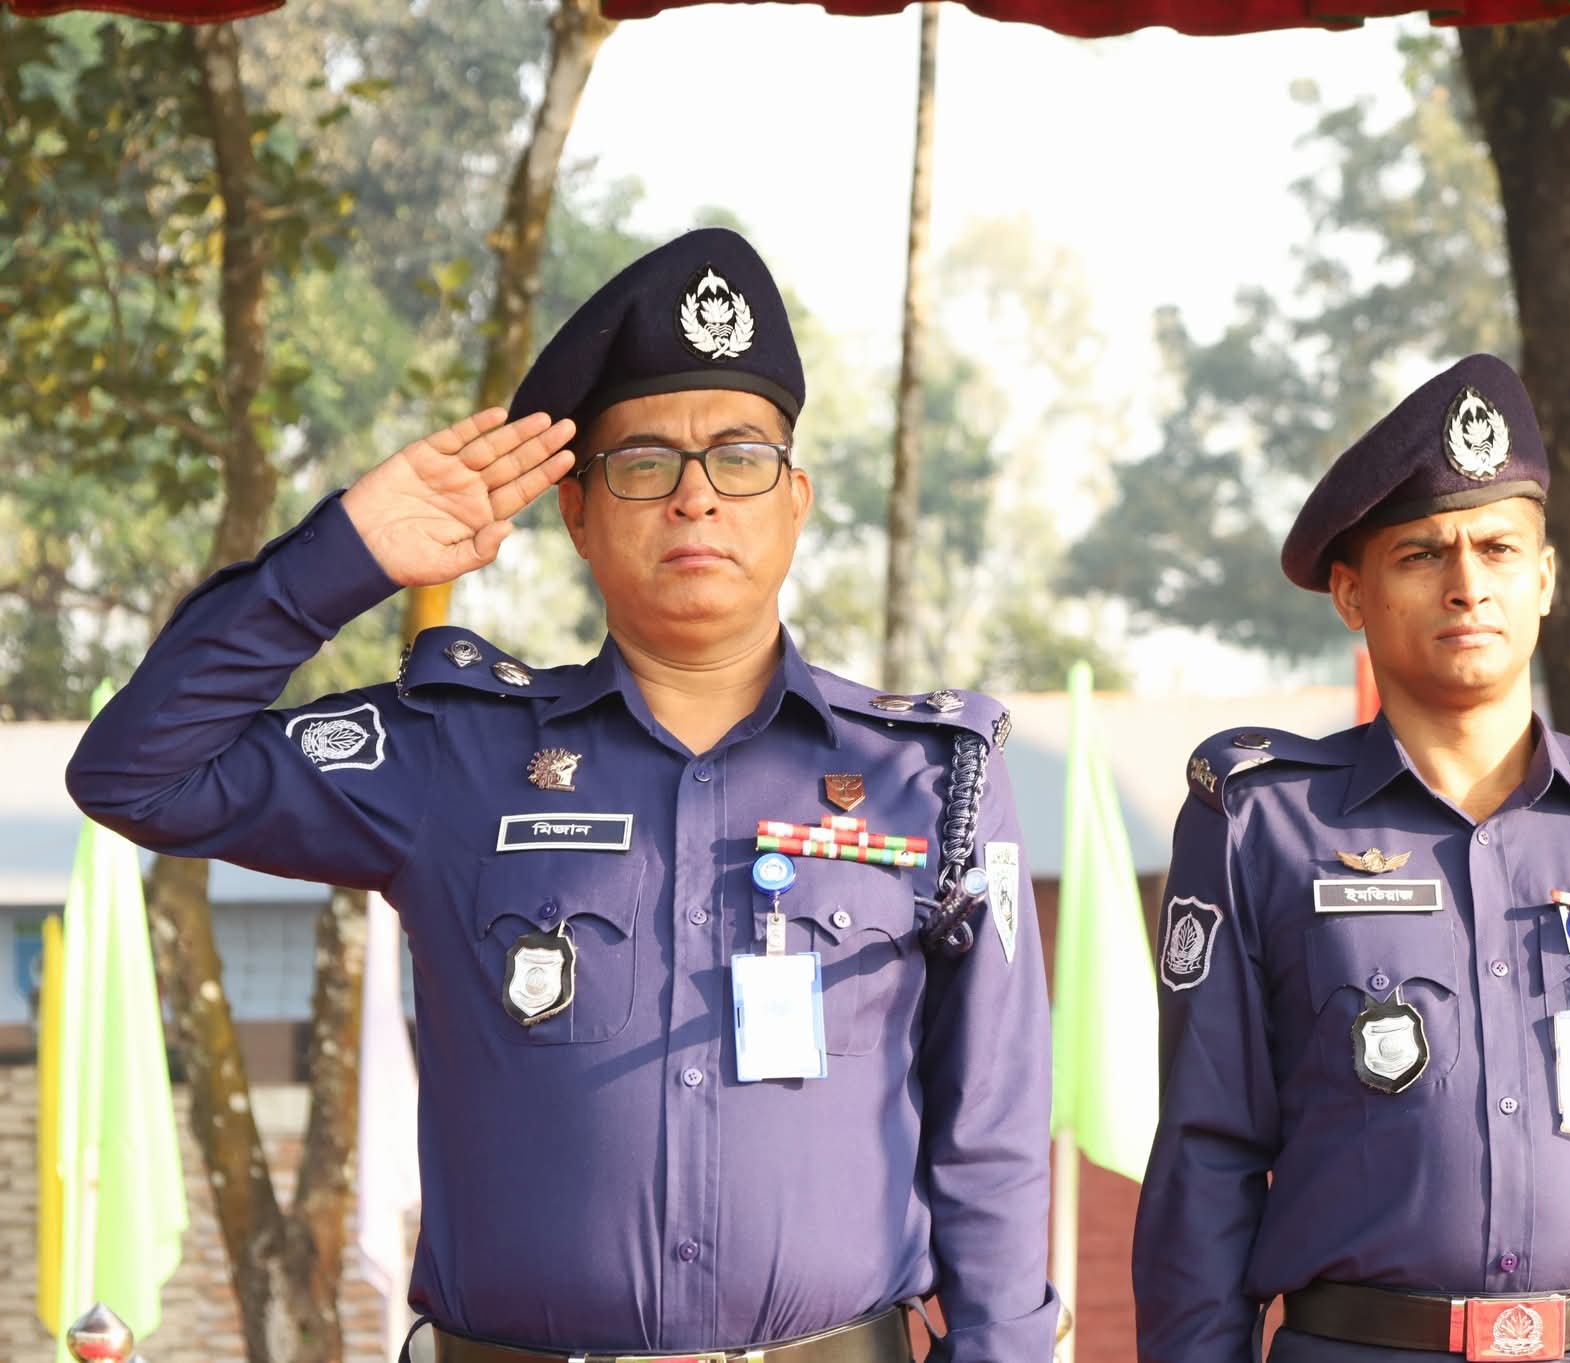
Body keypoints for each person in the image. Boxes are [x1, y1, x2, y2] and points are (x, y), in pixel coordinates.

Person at [68, 227, 1058, 1363]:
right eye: (645, 463)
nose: (695, 498)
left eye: (739, 458)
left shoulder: (929, 778)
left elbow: (990, 1137)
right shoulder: (455, 755)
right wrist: (341, 557)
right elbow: (138, 771)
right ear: (577, 511)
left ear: (795, 501)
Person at [1131, 354, 1570, 1363]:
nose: (1466, 586)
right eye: (1421, 555)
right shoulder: (1261, 823)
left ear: (1544, 579)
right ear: (1350, 593)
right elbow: (1206, 1165)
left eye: (1498, 548)